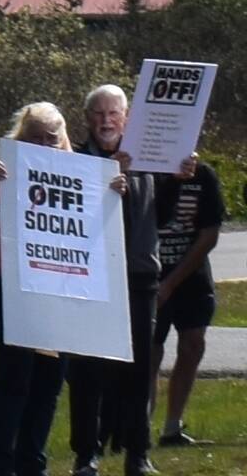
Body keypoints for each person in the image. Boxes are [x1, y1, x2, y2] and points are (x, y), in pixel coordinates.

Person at [0, 102, 124, 476]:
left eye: (51, 139)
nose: (45, 146)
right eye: (35, 139)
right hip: (9, 290)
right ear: (21, 139)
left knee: (49, 383)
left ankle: (32, 464)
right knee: (14, 381)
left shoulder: (83, 174)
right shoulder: (6, 172)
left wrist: (112, 192)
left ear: (63, 139)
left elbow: (100, 230)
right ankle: (0, 466)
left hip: (57, 293)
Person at [67, 83, 197, 476]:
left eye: (114, 113)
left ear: (127, 118)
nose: (106, 121)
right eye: (98, 113)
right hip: (90, 277)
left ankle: (138, 455)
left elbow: (162, 216)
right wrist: (106, 180)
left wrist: (177, 179)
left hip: (139, 277)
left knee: (139, 370)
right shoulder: (73, 159)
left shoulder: (149, 157)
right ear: (87, 119)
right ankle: (86, 455)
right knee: (87, 371)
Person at [150, 153, 226, 446]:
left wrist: (171, 283)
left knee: (193, 344)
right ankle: (140, 429)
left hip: (191, 276)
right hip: (150, 274)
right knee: (150, 352)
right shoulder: (144, 173)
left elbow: (210, 234)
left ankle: (172, 427)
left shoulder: (203, 176)